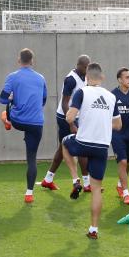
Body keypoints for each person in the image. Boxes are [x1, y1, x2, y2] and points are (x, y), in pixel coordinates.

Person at [61, 63, 121, 239]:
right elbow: (118, 125)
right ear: (102, 77)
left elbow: (70, 117)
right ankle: (94, 229)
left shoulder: (82, 92)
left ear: (86, 78)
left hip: (83, 142)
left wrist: (80, 119)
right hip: (102, 147)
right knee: (96, 189)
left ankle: (75, 179)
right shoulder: (111, 97)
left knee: (65, 143)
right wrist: (101, 122)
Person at [0, 48, 47, 204]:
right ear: (32, 61)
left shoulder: (12, 77)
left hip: (18, 121)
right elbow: (43, 101)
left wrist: (12, 98)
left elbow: (2, 99)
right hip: (36, 122)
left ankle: (7, 121)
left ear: (19, 60)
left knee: (6, 109)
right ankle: (29, 193)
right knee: (31, 158)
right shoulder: (41, 78)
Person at [41, 55, 91, 192]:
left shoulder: (84, 77)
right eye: (86, 67)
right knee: (80, 147)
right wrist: (71, 123)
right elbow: (64, 103)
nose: (87, 70)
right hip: (65, 117)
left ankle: (48, 179)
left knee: (63, 150)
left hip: (76, 117)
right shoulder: (70, 79)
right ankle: (86, 184)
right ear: (79, 65)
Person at [111, 68, 129, 205]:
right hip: (117, 135)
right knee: (122, 162)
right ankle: (126, 193)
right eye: (127, 77)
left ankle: (119, 184)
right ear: (120, 80)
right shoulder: (112, 95)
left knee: (128, 163)